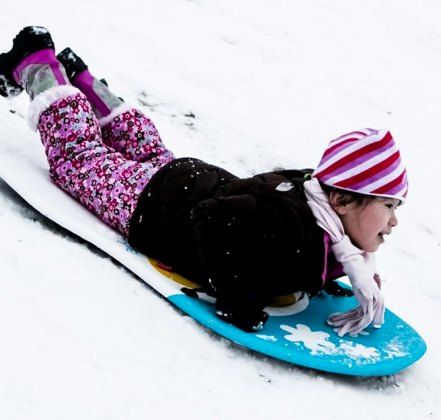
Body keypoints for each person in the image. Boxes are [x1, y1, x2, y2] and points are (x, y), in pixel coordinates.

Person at [0, 26, 408, 337]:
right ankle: (37, 65)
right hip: (151, 204)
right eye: (387, 206)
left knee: (144, 151)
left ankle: (85, 85)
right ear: (340, 199)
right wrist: (238, 297)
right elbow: (212, 219)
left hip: (183, 181)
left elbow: (279, 235)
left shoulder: (313, 202)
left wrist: (327, 274)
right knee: (80, 159)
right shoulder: (290, 227)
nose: (393, 222)